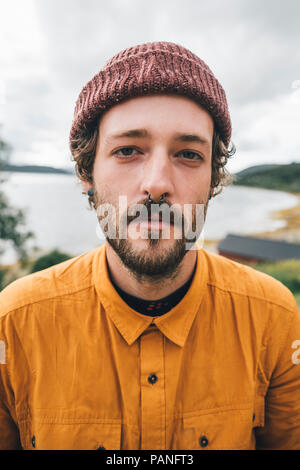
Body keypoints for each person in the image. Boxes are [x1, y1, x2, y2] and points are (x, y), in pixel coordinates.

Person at [1, 41, 300, 451]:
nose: (157, 183)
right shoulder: (14, 322)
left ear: (213, 180)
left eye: (189, 154)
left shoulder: (275, 318)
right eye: (127, 150)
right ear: (87, 173)